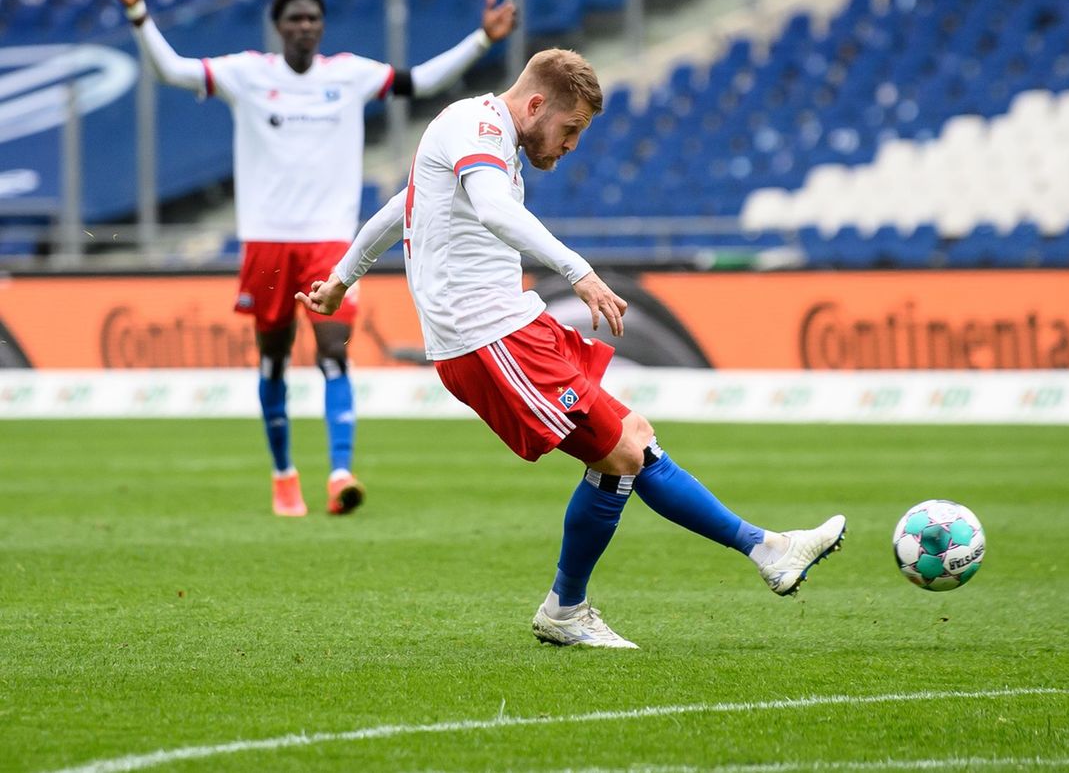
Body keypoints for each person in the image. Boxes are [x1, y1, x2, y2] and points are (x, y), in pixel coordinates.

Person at [298, 49, 847, 648]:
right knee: (619, 453)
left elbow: (396, 208)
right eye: (570, 129)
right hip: (485, 336)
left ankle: (760, 552)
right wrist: (578, 271)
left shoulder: (482, 136)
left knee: (632, 437)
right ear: (535, 105)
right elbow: (491, 209)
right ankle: (588, 602)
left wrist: (343, 279)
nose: (570, 145)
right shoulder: (477, 129)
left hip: (510, 325)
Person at [113, 0, 516, 518]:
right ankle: (283, 475)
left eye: (314, 19)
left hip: (330, 244)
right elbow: (171, 71)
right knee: (274, 363)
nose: (306, 26)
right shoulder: (246, 74)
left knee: (333, 357)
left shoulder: (348, 75)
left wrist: (481, 39)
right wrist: (138, 12)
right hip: (267, 244)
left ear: (322, 28)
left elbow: (419, 81)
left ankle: (340, 473)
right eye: (296, 18)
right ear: (279, 27)